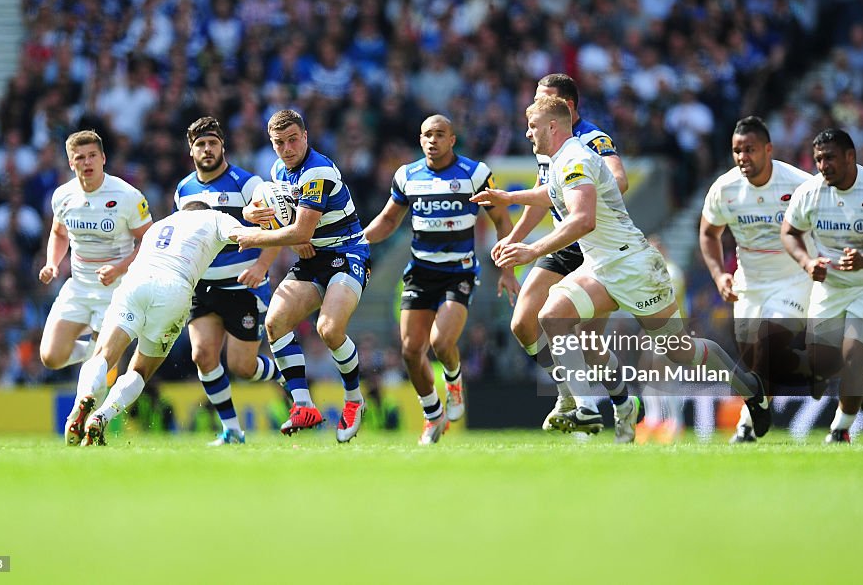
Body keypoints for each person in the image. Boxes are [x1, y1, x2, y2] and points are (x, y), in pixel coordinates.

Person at [474, 96, 772, 441]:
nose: (527, 133)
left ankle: (749, 387)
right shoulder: (559, 159)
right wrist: (510, 199)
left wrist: (532, 250)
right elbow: (552, 194)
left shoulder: (575, 159)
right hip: (601, 266)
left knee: (679, 350)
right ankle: (583, 407)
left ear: (553, 126)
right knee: (553, 316)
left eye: (533, 126)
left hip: (633, 267)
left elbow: (583, 219)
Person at [487, 74, 631, 435]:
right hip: (563, 243)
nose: (535, 107)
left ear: (566, 107)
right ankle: (569, 394)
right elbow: (544, 194)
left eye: (543, 99)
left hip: (595, 242)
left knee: (589, 343)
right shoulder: (544, 143)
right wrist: (513, 239)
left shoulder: (591, 140)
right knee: (522, 323)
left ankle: (622, 402)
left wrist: (585, 194)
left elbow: (621, 180)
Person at [363, 114, 520, 444]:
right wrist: (358, 240)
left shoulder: (476, 174)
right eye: (426, 135)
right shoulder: (407, 176)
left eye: (439, 134)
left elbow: (502, 220)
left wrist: (507, 268)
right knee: (409, 350)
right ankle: (432, 414)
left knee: (441, 342)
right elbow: (389, 220)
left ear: (452, 139)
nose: (432, 140)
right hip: (420, 273)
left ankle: (453, 382)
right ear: (420, 141)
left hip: (458, 272)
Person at [235, 109, 371, 443]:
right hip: (313, 257)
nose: (287, 148)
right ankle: (303, 405)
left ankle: (354, 399)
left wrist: (253, 236)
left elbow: (300, 230)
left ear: (306, 136)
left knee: (328, 329)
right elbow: (267, 210)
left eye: (293, 139)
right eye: (279, 142)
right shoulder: (278, 169)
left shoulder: (317, 171)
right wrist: (247, 212)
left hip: (347, 252)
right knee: (276, 322)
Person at [75, 202, 245, 446]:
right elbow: (243, 235)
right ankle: (102, 415)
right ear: (204, 210)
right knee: (140, 370)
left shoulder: (161, 224)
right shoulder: (214, 217)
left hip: (136, 282)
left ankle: (85, 397)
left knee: (103, 355)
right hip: (173, 288)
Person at [781, 128, 863, 444]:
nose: (823, 165)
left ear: (850, 157)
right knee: (819, 364)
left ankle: (840, 430)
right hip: (831, 285)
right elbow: (789, 232)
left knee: (853, 356)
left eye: (830, 158)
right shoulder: (809, 192)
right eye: (818, 159)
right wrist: (807, 263)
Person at [699, 116, 813, 443]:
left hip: (793, 279)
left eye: (750, 149)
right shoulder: (725, 188)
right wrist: (720, 274)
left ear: (768, 149)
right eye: (737, 151)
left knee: (770, 342)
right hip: (748, 283)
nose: (743, 157)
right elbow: (709, 233)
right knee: (756, 369)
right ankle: (748, 426)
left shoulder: (800, 184)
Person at [174, 117, 283, 446]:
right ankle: (232, 430)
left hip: (242, 287)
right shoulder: (183, 190)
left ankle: (285, 376)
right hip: (203, 287)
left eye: (213, 143)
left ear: (223, 146)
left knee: (242, 366)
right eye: (200, 144)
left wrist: (262, 266)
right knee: (202, 356)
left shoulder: (247, 184)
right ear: (191, 150)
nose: (207, 149)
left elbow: (277, 229)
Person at [40, 130, 152, 444]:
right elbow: (59, 234)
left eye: (92, 156)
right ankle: (96, 352)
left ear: (103, 158)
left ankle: (82, 416)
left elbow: (150, 240)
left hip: (116, 290)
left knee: (101, 366)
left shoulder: (127, 196)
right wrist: (52, 263)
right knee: (50, 356)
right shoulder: (63, 196)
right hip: (78, 286)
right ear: (70, 162)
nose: (86, 162)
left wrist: (119, 267)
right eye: (80, 157)